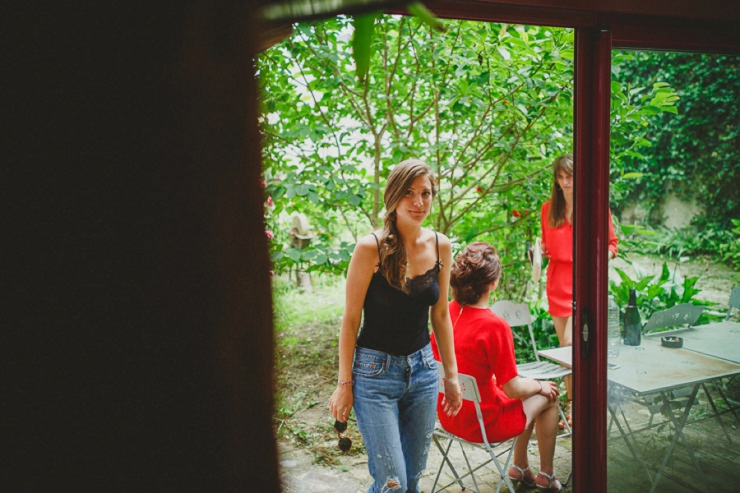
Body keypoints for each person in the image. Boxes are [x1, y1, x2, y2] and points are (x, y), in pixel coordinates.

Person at [328, 159, 463, 493]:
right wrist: (344, 382)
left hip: (423, 373)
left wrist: (452, 375)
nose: (419, 202)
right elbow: (350, 320)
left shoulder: (441, 245)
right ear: (393, 196)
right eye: (409, 193)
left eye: (426, 193)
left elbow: (441, 315)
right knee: (393, 484)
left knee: (413, 480)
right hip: (374, 375)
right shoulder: (369, 248)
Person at [431, 242, 563, 492]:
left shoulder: (445, 312)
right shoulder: (494, 326)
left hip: (450, 415)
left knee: (529, 394)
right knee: (549, 396)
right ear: (493, 283)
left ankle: (520, 466)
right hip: (484, 422)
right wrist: (540, 385)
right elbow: (512, 389)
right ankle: (546, 474)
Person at [541, 153, 618, 427]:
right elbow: (548, 247)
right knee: (566, 350)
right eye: (560, 178)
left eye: (569, 177)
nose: (565, 182)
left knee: (572, 346)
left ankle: (578, 406)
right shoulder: (548, 208)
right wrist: (542, 251)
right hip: (556, 282)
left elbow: (612, 245)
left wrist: (598, 259)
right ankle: (572, 406)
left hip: (581, 283)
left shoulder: (597, 208)